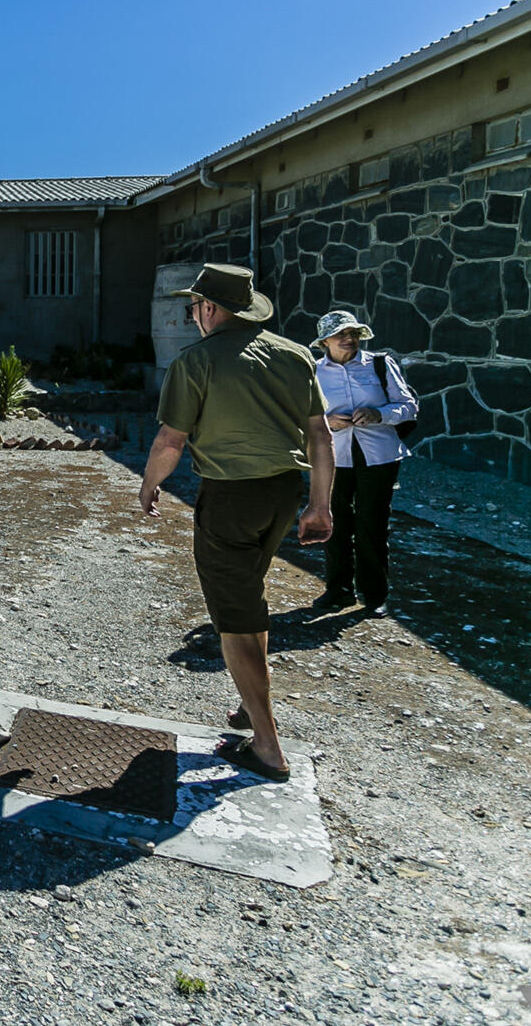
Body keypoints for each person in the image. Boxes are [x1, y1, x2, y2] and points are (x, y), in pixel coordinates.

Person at [138, 264, 336, 785]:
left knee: (235, 618)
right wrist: (320, 505)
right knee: (250, 597)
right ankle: (251, 711)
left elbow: (170, 442)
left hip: (230, 497)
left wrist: (149, 484)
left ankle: (268, 749)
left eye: (195, 307)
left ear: (208, 309)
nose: (193, 315)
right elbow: (320, 435)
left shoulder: (197, 361)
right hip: (281, 494)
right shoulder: (294, 355)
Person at [311, 309, 419, 614]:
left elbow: (408, 407)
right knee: (335, 524)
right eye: (342, 334)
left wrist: (379, 414)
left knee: (372, 524)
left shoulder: (380, 365)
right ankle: (338, 591)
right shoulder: (313, 372)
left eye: (354, 334)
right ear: (325, 342)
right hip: (332, 457)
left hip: (380, 456)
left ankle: (374, 596)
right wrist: (327, 421)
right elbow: (299, 416)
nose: (350, 339)